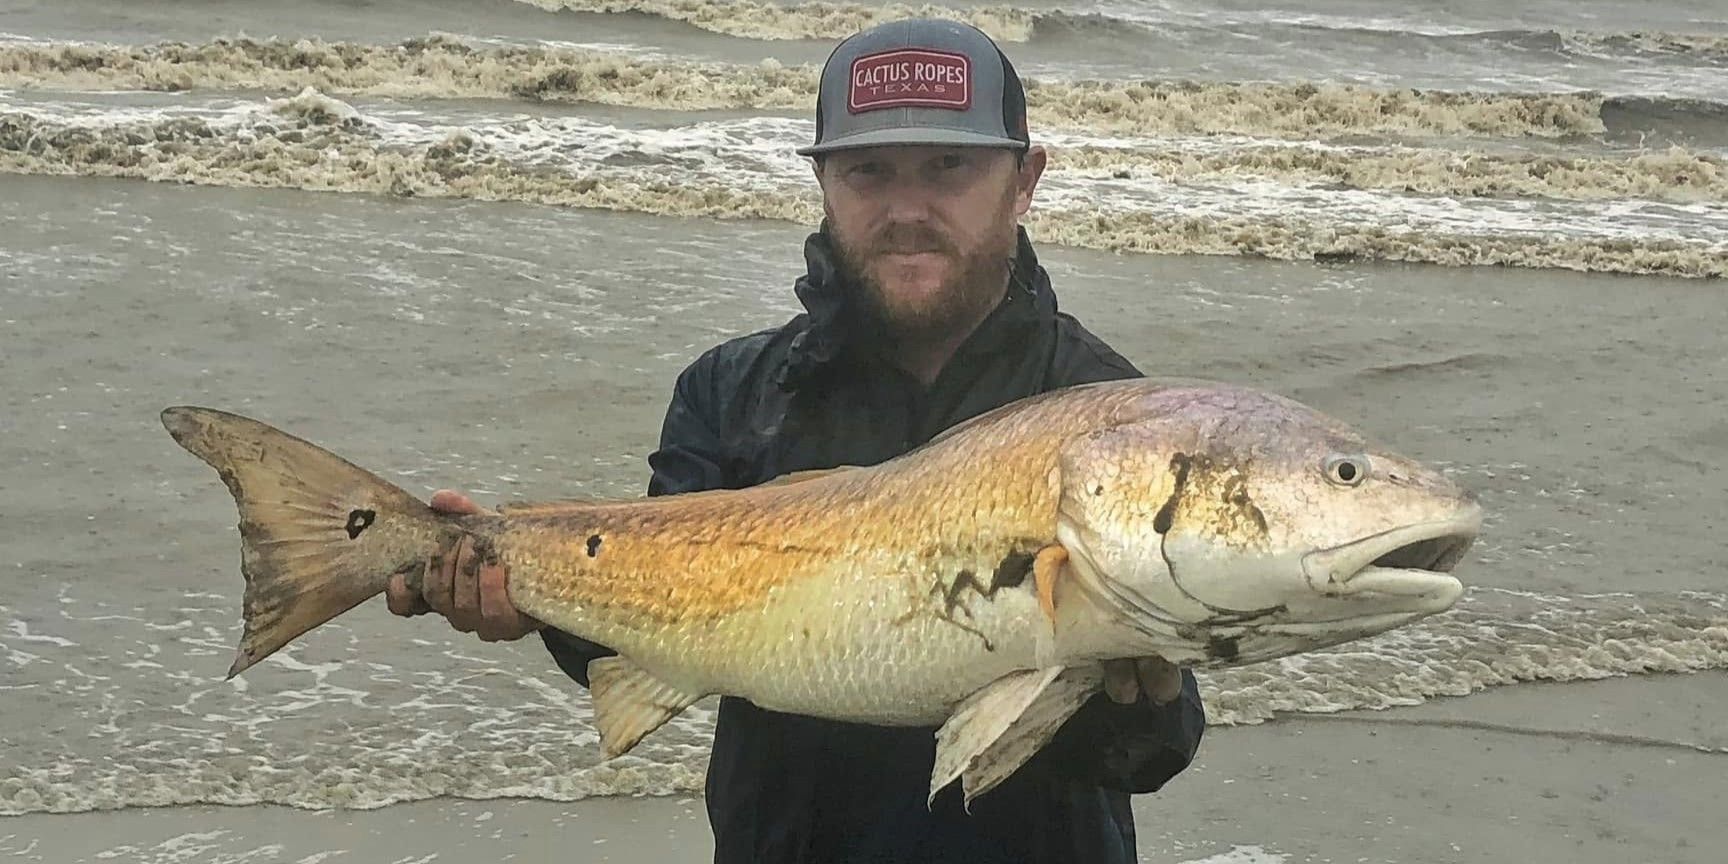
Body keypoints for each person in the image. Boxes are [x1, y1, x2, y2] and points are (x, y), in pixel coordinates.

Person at [385, 17, 1206, 864]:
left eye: (949, 168)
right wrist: (511, 590)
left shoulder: (1112, 423)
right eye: (869, 172)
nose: (908, 210)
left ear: (1024, 181)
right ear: (824, 184)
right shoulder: (732, 393)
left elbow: (1159, 750)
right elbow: (656, 623)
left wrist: (1133, 701)